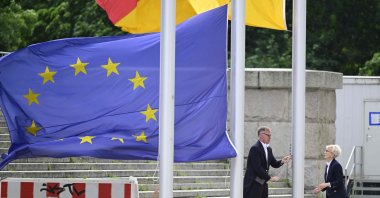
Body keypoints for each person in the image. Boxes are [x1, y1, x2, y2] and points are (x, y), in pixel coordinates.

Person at [243, 126, 292, 198]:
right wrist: (270, 178)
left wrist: (282, 161)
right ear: (261, 135)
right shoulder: (255, 148)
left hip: (263, 184)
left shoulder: (268, 149)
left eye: (270, 135)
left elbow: (274, 163)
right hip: (253, 184)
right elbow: (257, 167)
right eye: (268, 135)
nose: (270, 137)